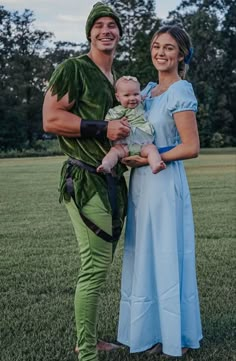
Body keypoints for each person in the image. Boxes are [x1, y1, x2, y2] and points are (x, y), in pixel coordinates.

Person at [42, 2, 130, 361]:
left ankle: (88, 339)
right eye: (99, 25)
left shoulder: (116, 80)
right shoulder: (73, 69)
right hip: (84, 180)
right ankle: (87, 353)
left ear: (120, 34)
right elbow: (51, 119)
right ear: (90, 32)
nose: (106, 30)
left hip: (112, 180)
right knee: (94, 267)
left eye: (113, 25)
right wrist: (102, 128)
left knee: (100, 265)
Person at [117, 25, 203, 357]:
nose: (160, 53)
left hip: (164, 182)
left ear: (181, 54)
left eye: (168, 48)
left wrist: (148, 158)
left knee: (165, 255)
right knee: (142, 256)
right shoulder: (148, 90)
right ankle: (147, 331)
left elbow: (191, 147)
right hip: (141, 188)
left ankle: (172, 334)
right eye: (156, 46)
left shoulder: (181, 90)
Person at [97, 75, 166, 174]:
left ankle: (155, 165)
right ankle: (106, 165)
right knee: (114, 152)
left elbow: (145, 98)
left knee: (152, 149)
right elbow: (108, 124)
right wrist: (119, 122)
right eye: (127, 95)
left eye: (136, 94)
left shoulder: (142, 105)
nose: (132, 98)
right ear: (118, 97)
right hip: (124, 146)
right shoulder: (116, 111)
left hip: (143, 145)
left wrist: (142, 97)